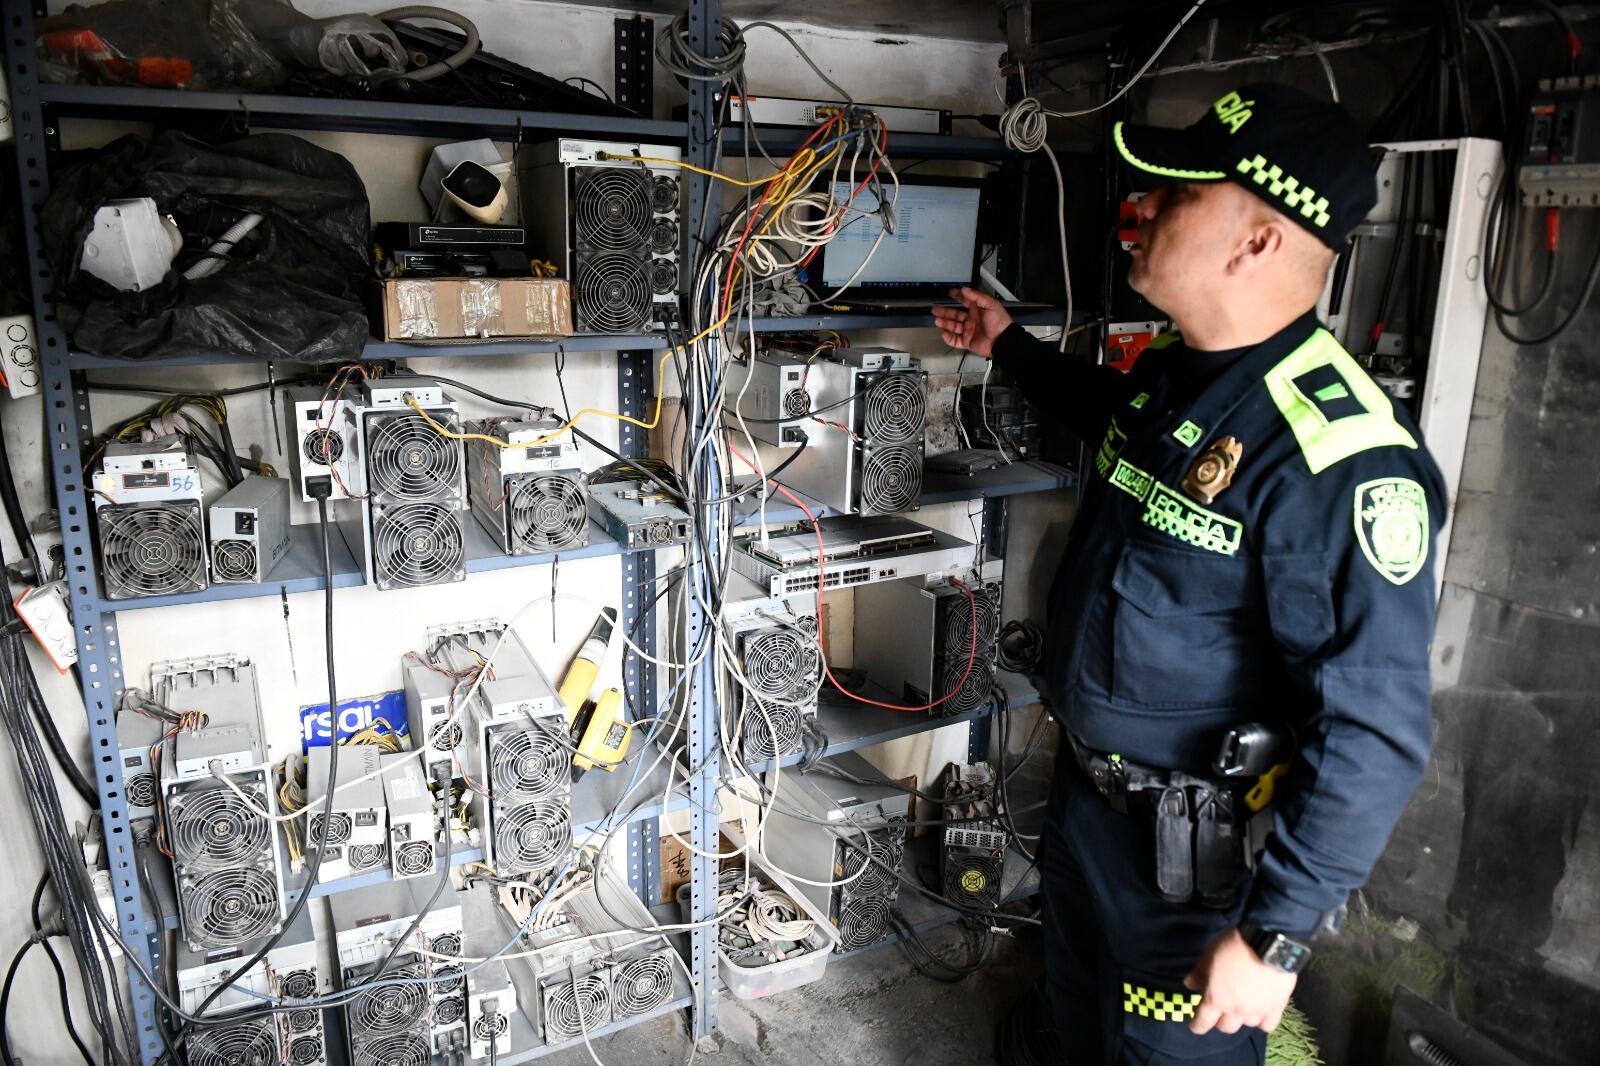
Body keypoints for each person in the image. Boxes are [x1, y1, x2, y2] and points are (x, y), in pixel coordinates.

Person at [934, 84, 1444, 1065]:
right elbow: (1114, 419)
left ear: (1256, 241)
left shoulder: (1336, 462)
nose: (1143, 212)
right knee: (1078, 1030)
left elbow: (1373, 731)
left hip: (1190, 872)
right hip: (1089, 813)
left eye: (1175, 198)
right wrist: (1012, 350)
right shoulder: (1183, 373)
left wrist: (1273, 936)